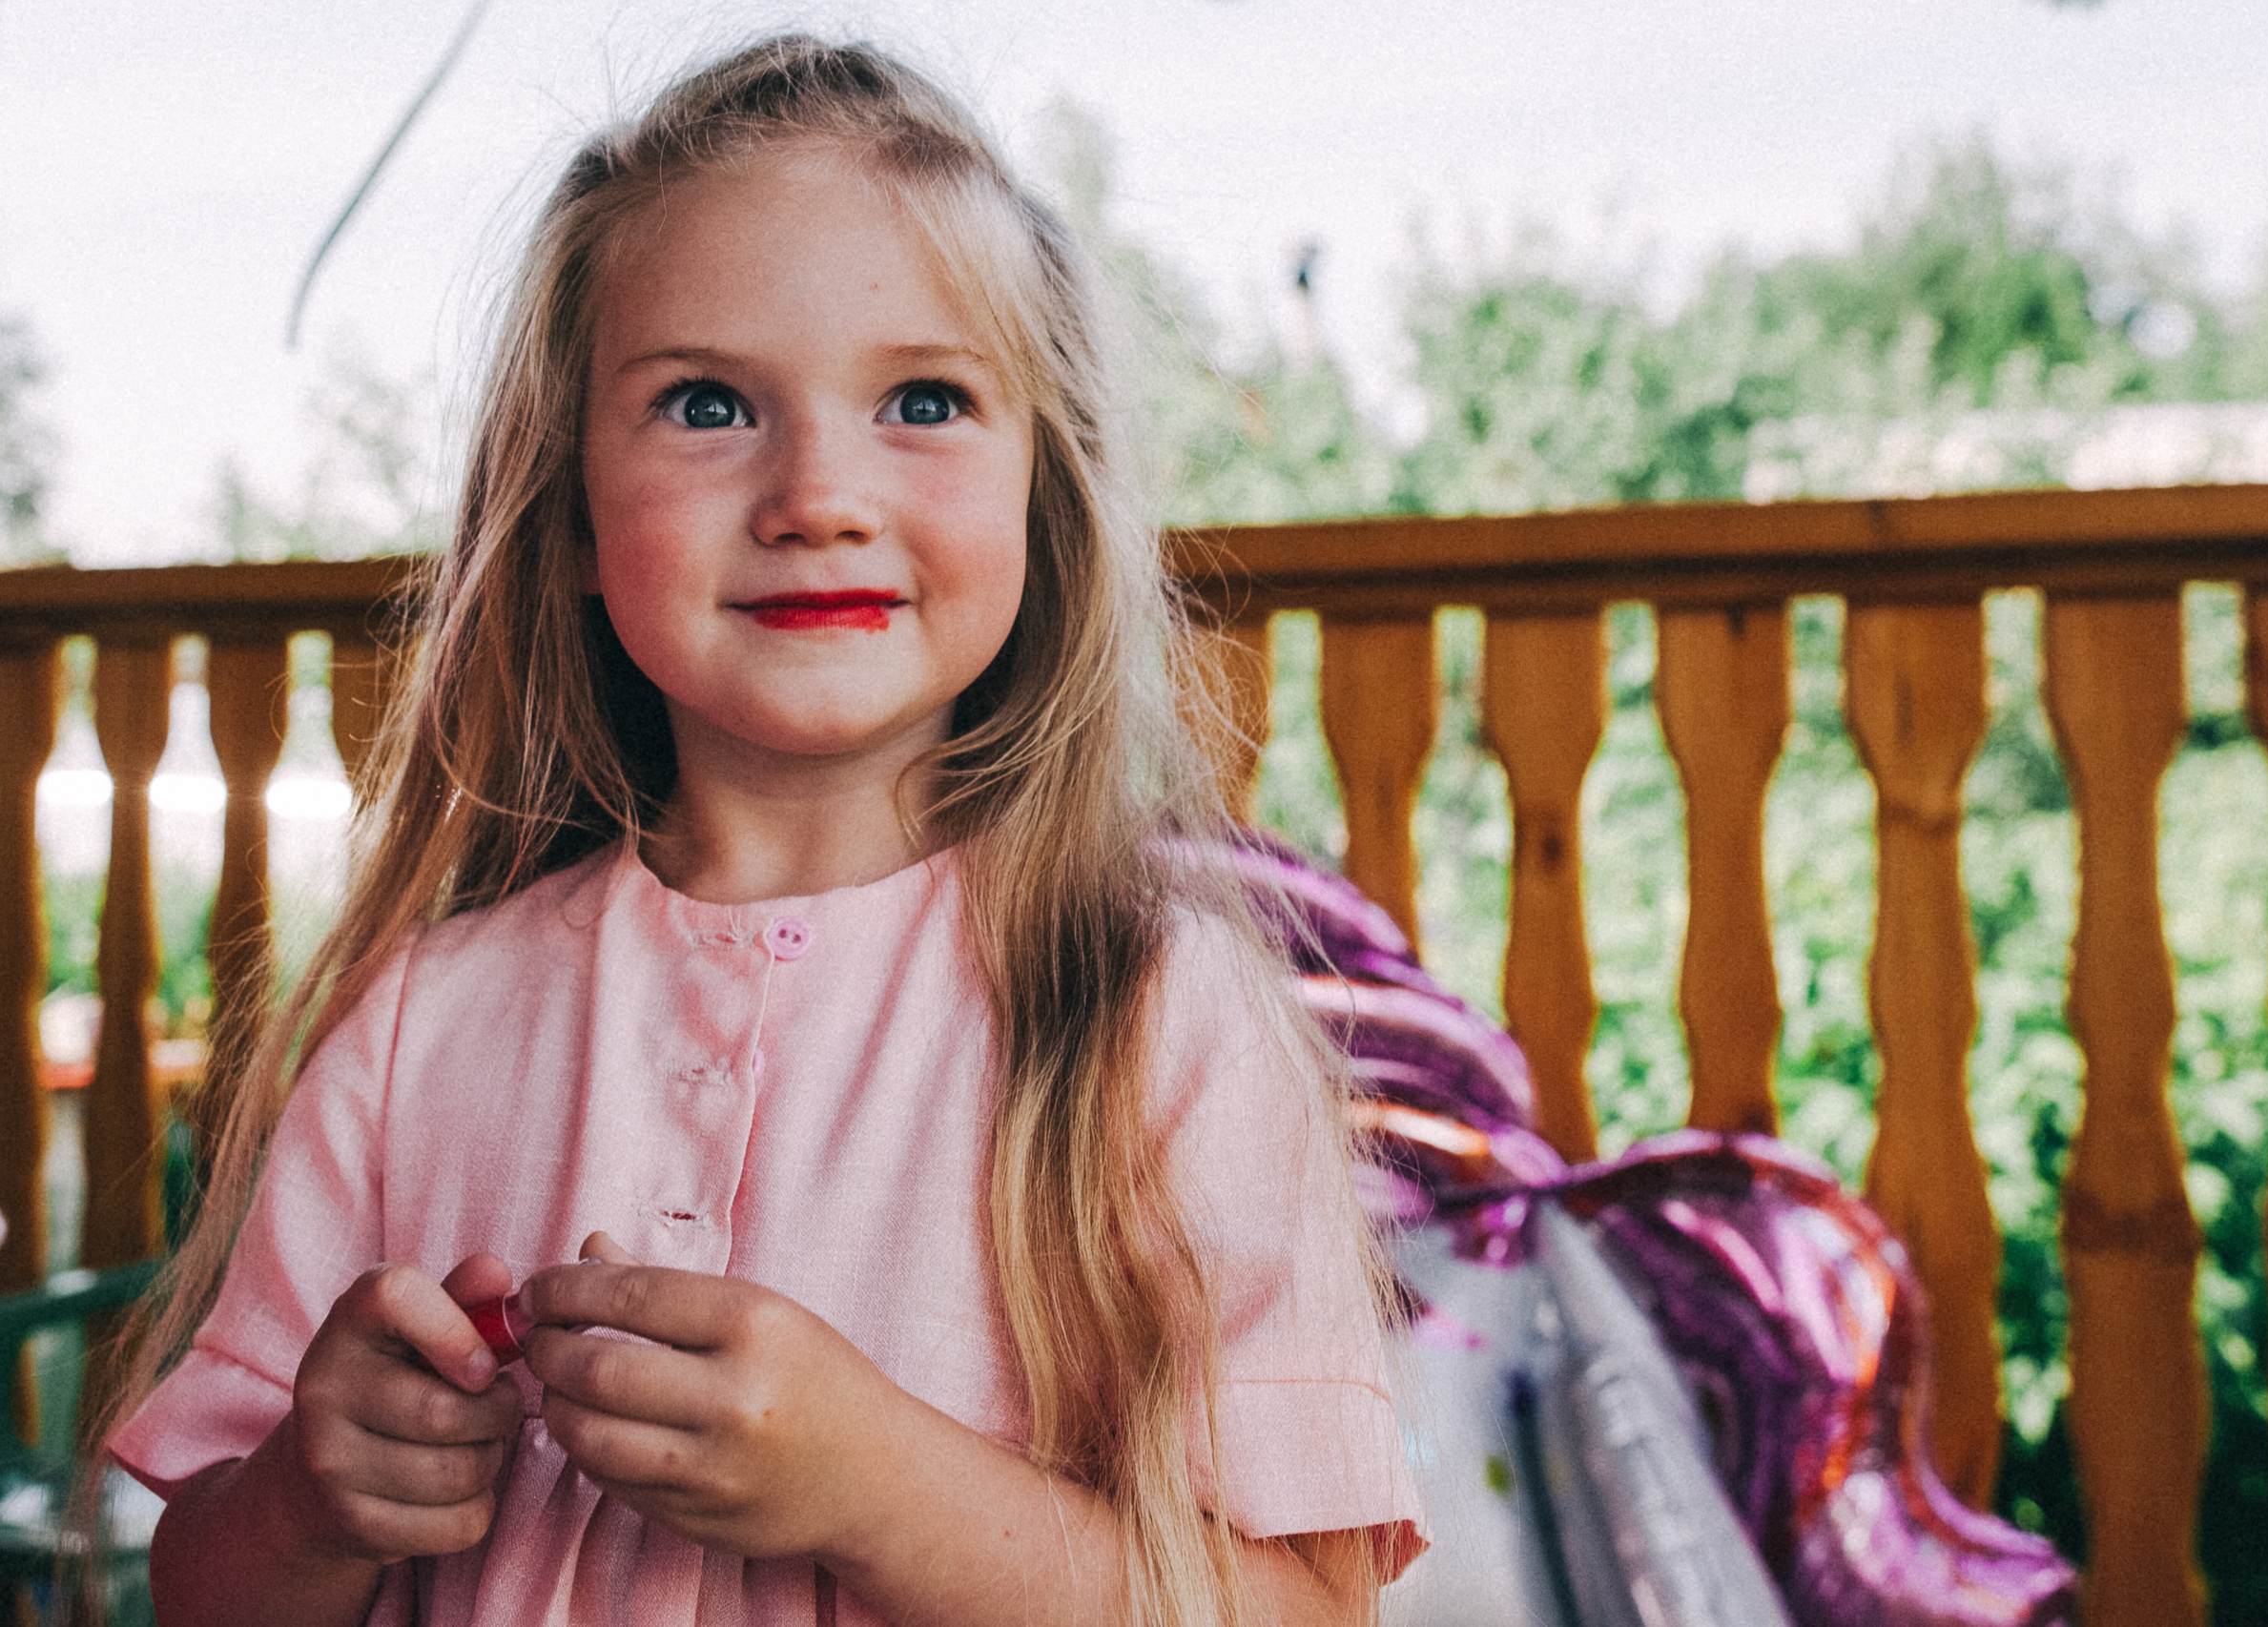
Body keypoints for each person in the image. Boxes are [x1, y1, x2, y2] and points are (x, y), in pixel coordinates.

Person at [101, 35, 1421, 1627]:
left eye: (923, 400)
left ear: (1043, 494)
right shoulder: (414, 1030)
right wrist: (314, 1500)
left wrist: (878, 1483)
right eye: (708, 403)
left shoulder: (1162, 1017)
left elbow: (1304, 1609)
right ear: (576, 512)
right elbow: (203, 1593)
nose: (816, 492)